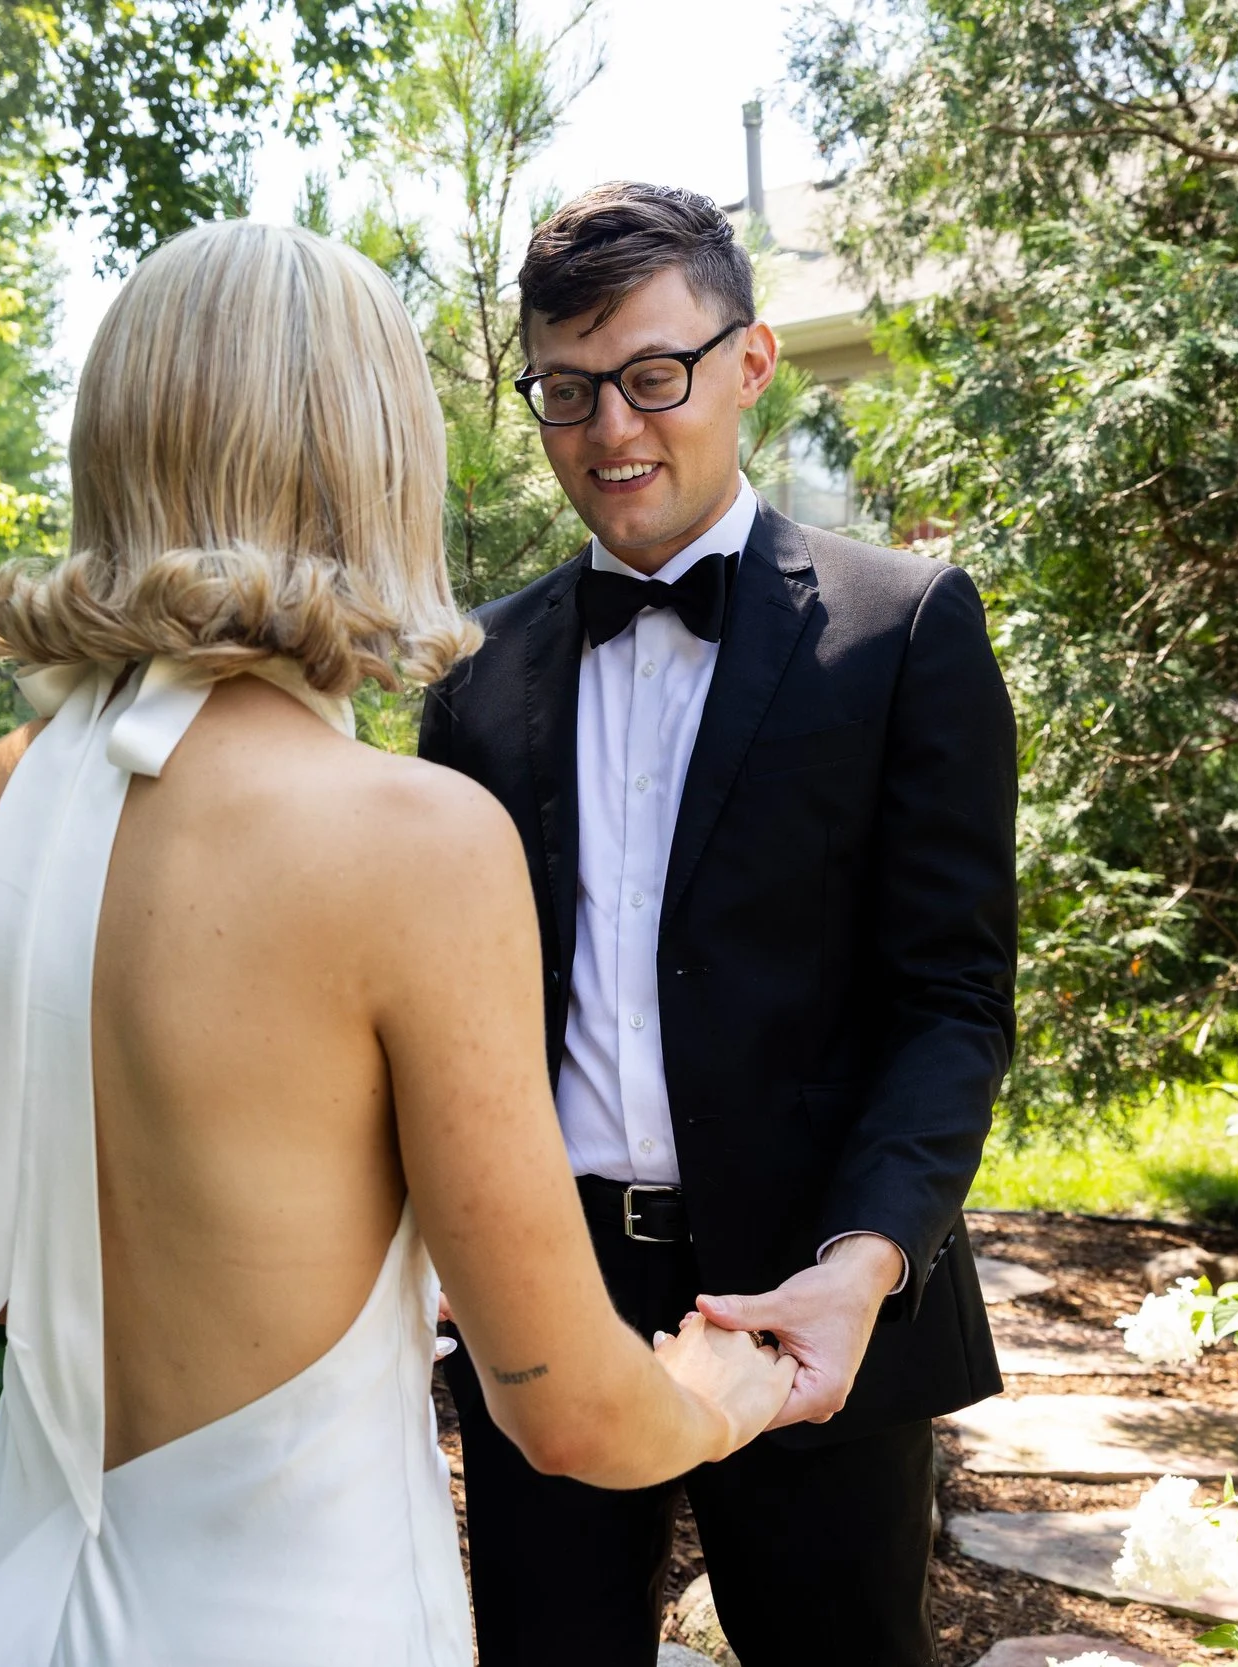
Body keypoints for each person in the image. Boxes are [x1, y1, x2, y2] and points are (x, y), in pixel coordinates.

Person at [0, 219, 799, 1667]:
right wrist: (717, 1394)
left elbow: (63, 1243)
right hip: (296, 1614)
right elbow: (564, 1409)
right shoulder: (412, 838)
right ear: (373, 460)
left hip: (16, 1600)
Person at [418, 181, 1018, 1667]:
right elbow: (448, 1013)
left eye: (652, 376)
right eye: (567, 390)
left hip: (812, 1289)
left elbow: (952, 1002)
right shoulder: (471, 672)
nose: (610, 429)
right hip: (545, 1290)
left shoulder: (905, 627)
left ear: (750, 364)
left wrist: (865, 1261)